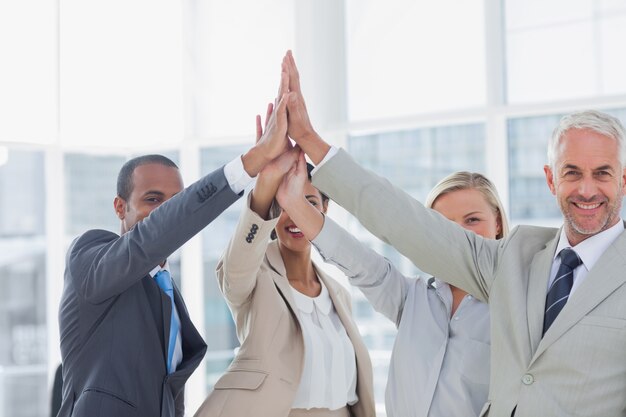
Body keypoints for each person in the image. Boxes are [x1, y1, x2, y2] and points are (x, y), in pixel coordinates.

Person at [283, 50, 626, 417]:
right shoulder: (514, 258)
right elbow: (403, 221)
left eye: (602, 173)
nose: (587, 190)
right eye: (572, 172)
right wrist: (308, 142)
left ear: (623, 179)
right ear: (551, 179)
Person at [56, 67, 293, 417]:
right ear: (120, 207)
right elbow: (146, 241)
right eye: (153, 199)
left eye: (176, 201)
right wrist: (251, 162)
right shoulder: (90, 256)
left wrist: (271, 182)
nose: (167, 211)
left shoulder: (166, 292)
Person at [277, 151, 509, 417]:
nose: (457, 235)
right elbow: (354, 258)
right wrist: (293, 203)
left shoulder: (518, 308)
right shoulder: (413, 298)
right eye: (443, 225)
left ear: (498, 224)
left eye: (472, 220)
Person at [193, 111, 375, 417]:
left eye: (309, 203)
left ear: (326, 209)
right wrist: (266, 184)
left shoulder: (339, 295)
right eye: (284, 203)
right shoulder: (256, 277)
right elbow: (234, 275)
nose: (295, 215)